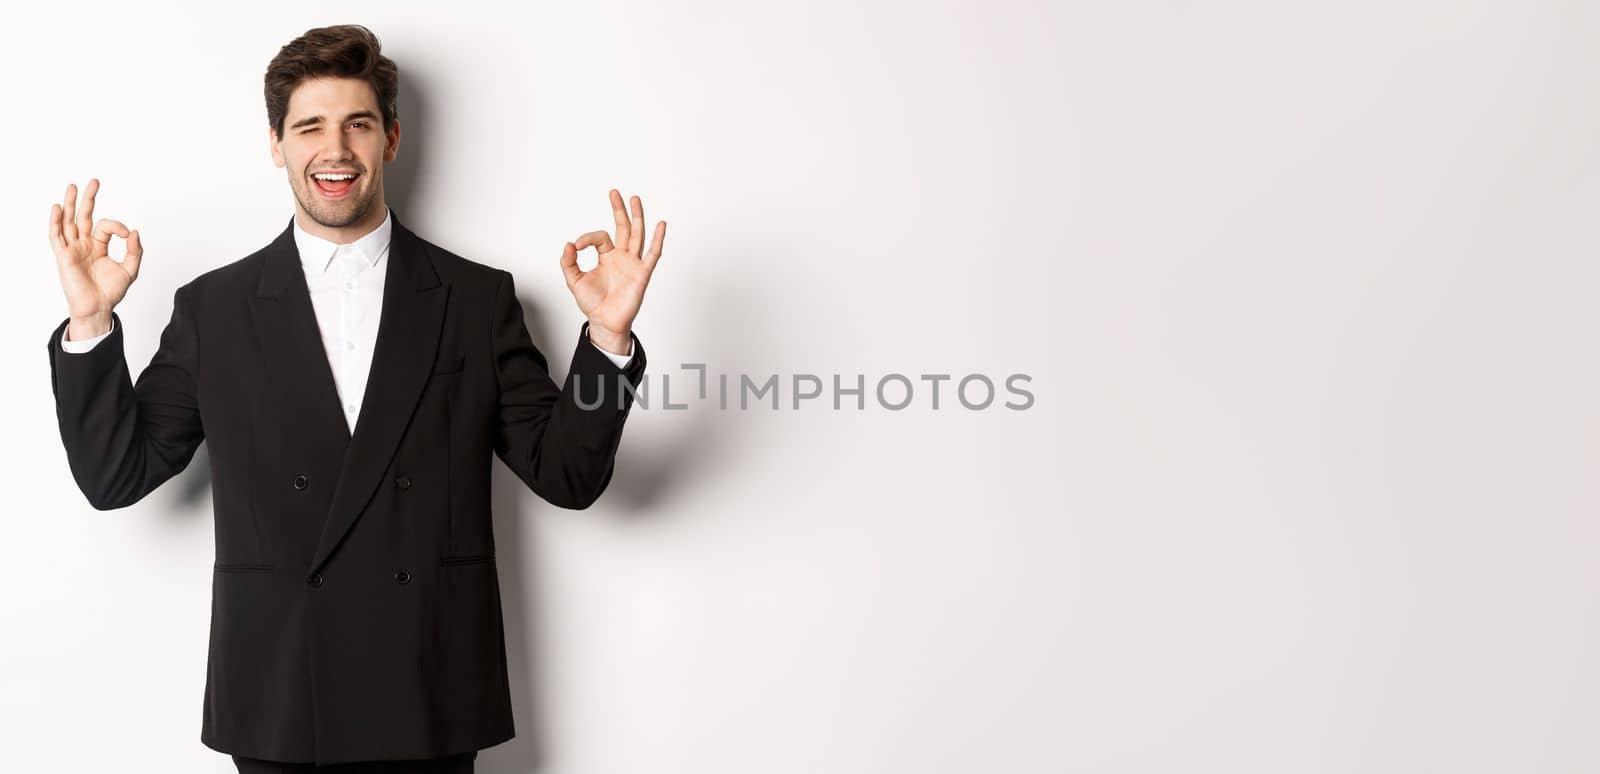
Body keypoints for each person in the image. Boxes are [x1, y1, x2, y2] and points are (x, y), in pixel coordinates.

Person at [44, 24, 666, 772]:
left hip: (428, 692)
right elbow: (116, 476)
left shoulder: (473, 300)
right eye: (309, 127)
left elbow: (566, 476)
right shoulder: (214, 310)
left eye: (358, 125)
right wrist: (89, 322)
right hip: (279, 698)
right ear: (276, 144)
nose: (334, 150)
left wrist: (606, 340)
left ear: (391, 139)